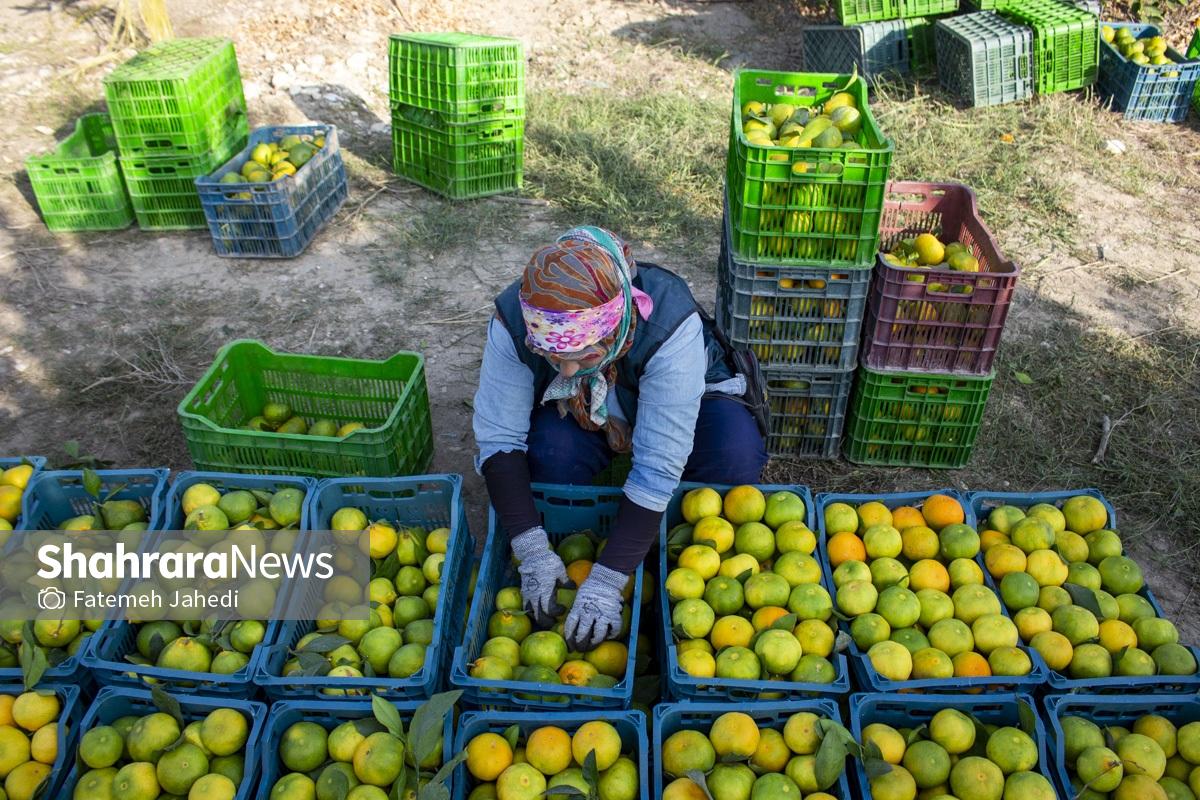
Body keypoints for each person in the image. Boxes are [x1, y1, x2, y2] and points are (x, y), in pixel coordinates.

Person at [473, 226, 768, 651]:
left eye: (584, 355)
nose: (568, 370)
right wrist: (531, 546)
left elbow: (657, 465)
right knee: (550, 457)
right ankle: (577, 542)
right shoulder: (516, 318)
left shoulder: (669, 322)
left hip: (690, 397)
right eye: (552, 356)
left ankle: (671, 554)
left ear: (615, 328)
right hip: (578, 406)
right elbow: (500, 439)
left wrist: (609, 579)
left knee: (733, 455)